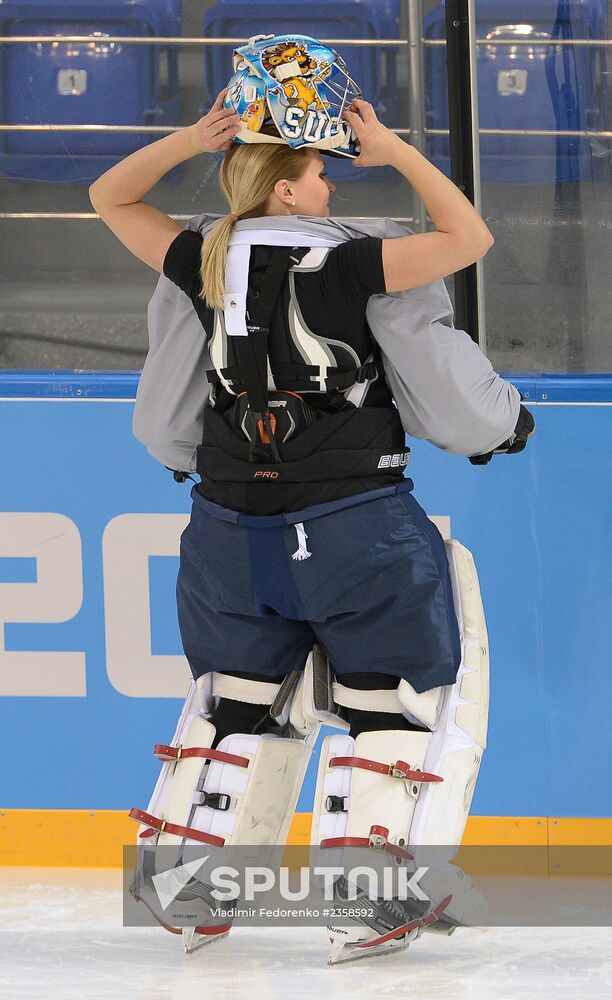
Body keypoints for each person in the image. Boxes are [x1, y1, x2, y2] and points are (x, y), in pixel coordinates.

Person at [90, 34, 532, 963]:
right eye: (322, 172)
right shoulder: (348, 264)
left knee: (237, 700)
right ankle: (364, 902)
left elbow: (109, 196)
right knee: (388, 701)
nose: (334, 183)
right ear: (286, 187)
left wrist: (191, 138)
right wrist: (398, 148)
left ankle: (190, 886)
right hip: (353, 526)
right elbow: (471, 239)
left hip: (222, 530)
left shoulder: (200, 260)